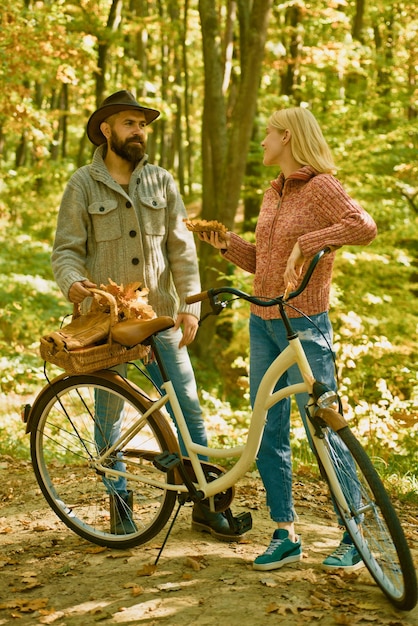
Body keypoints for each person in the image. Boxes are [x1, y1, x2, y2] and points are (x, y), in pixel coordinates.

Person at [51, 90, 245, 540]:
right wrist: (72, 282)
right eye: (129, 124)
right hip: (108, 322)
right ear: (106, 130)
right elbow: (66, 251)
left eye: (143, 124)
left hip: (161, 317)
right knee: (109, 417)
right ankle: (120, 502)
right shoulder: (82, 184)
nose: (139, 132)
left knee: (188, 408)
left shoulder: (161, 181)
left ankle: (205, 501)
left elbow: (180, 248)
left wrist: (190, 307)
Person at [197, 106, 377, 571]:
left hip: (305, 323)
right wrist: (225, 244)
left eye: (269, 134)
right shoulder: (272, 192)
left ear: (288, 137)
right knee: (269, 430)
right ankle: (285, 532)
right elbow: (262, 262)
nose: (262, 142)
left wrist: (308, 243)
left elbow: (363, 226)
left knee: (325, 427)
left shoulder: (320, 187)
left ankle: (354, 534)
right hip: (263, 323)